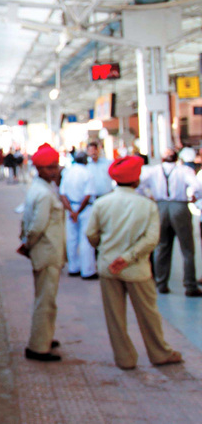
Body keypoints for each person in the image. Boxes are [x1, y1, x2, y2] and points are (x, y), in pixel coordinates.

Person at [86, 156, 183, 369]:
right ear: (136, 180)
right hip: (137, 269)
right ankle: (159, 353)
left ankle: (125, 359)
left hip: (108, 267)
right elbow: (151, 239)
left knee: (114, 317)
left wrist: (107, 251)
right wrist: (127, 258)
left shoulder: (102, 204)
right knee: (148, 314)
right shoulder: (147, 205)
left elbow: (91, 234)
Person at [18, 143, 66, 362]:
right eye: (49, 167)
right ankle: (38, 347)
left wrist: (27, 243)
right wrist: (28, 243)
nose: (54, 171)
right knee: (45, 301)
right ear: (38, 168)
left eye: (55, 166)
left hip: (43, 251)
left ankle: (44, 336)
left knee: (45, 298)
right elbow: (37, 226)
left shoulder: (38, 188)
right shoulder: (45, 194)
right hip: (47, 252)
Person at [139, 148, 202, 296]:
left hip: (161, 206)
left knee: (162, 246)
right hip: (179, 206)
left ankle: (161, 283)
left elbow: (140, 185)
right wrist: (194, 197)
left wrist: (148, 197)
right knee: (187, 248)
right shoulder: (184, 170)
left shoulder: (153, 171)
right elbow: (197, 187)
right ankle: (190, 285)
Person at [58, 151, 97, 279]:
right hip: (83, 209)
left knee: (72, 238)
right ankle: (87, 269)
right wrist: (77, 211)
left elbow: (62, 194)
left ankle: (73, 267)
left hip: (72, 207)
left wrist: (71, 211)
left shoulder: (68, 172)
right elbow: (87, 195)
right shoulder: (87, 173)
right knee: (85, 239)